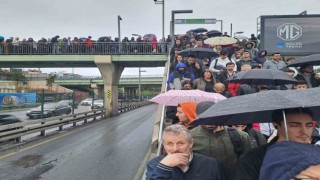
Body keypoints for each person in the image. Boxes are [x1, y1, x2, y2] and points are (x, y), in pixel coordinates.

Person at [233, 108, 316, 180]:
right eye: (295, 125)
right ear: (276, 125)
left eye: (309, 125)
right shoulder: (252, 159)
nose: (304, 131)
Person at [191, 102, 253, 180]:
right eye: (204, 118)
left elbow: (249, 165)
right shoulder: (189, 137)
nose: (209, 122)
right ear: (197, 117)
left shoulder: (241, 136)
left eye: (213, 117)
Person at [146, 124, 226, 180]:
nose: (175, 149)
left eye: (180, 143)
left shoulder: (211, 164)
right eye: (170, 144)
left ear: (191, 143)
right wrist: (164, 168)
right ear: (164, 145)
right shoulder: (155, 165)